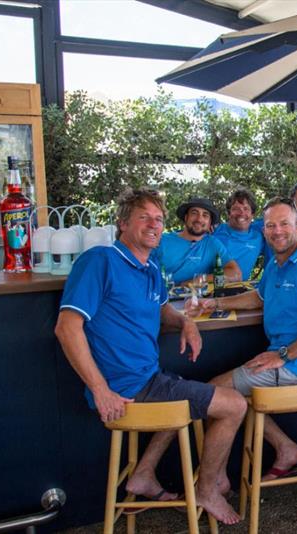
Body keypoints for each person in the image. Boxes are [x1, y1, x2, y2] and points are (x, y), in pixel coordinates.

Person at [54, 188, 247, 525]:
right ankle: (205, 490)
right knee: (234, 405)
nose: (154, 225)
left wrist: (185, 321)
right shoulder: (100, 261)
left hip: (149, 379)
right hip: (124, 387)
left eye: (158, 219)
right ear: (123, 223)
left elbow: (162, 312)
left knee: (182, 393)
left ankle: (143, 473)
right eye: (145, 217)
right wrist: (101, 389)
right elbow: (67, 328)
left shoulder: (150, 269)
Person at [188, 197, 297, 481]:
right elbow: (258, 297)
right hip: (290, 362)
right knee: (232, 398)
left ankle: (213, 481)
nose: (277, 231)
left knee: (213, 392)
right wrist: (215, 305)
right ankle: (285, 448)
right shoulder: (277, 264)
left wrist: (283, 355)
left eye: (284, 224)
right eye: (270, 225)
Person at [154, 197, 240, 284]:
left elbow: (236, 275)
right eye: (194, 213)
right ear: (186, 217)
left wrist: (199, 280)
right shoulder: (162, 241)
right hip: (162, 296)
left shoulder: (212, 244)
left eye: (205, 215)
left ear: (210, 223)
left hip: (198, 296)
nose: (199, 219)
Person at [213, 188, 265, 280]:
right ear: (229, 214)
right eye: (236, 209)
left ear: (252, 214)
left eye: (246, 208)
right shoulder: (215, 232)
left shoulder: (258, 236)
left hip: (240, 290)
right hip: (211, 287)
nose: (241, 213)